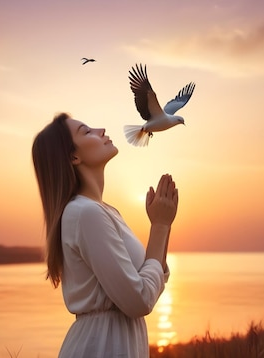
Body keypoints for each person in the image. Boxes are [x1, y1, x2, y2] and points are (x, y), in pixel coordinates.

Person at [31, 112, 179, 357]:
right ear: (73, 156)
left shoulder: (104, 212)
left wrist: (162, 224)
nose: (100, 130)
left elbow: (149, 287)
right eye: (86, 131)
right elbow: (138, 301)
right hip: (99, 347)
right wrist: (160, 227)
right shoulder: (85, 213)